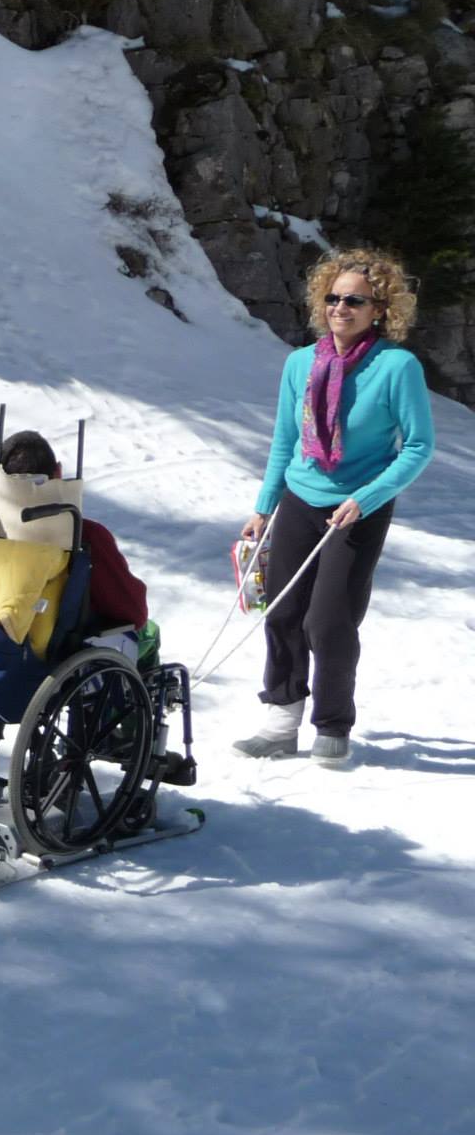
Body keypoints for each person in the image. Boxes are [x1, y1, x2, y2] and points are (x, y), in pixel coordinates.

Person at [234, 249, 436, 765]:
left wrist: (365, 497)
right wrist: (264, 506)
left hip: (359, 506)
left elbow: (417, 446)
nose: (340, 307)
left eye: (354, 300)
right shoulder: (300, 363)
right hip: (302, 497)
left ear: (379, 309)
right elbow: (285, 439)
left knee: (328, 620)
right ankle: (281, 720)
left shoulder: (397, 366)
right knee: (281, 611)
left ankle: (332, 723)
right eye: (333, 297)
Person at [0, 429, 152, 655]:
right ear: (58, 473)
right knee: (149, 634)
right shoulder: (85, 536)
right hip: (64, 656)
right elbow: (133, 613)